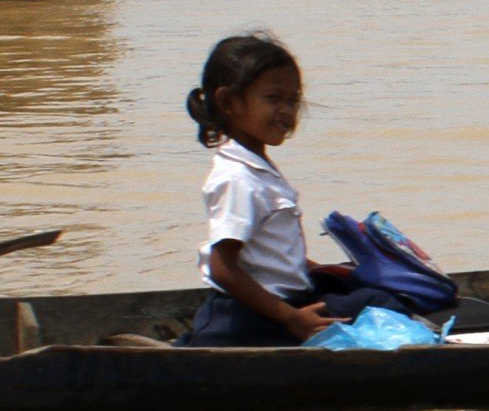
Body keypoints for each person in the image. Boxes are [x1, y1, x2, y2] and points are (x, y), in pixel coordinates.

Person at [178, 33, 428, 347]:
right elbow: (223, 268)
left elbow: (270, 251)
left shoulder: (256, 166)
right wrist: (290, 318)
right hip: (257, 313)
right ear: (230, 102)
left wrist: (320, 268)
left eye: (292, 100)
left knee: (362, 289)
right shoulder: (238, 178)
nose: (286, 110)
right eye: (273, 98)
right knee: (380, 302)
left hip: (287, 297)